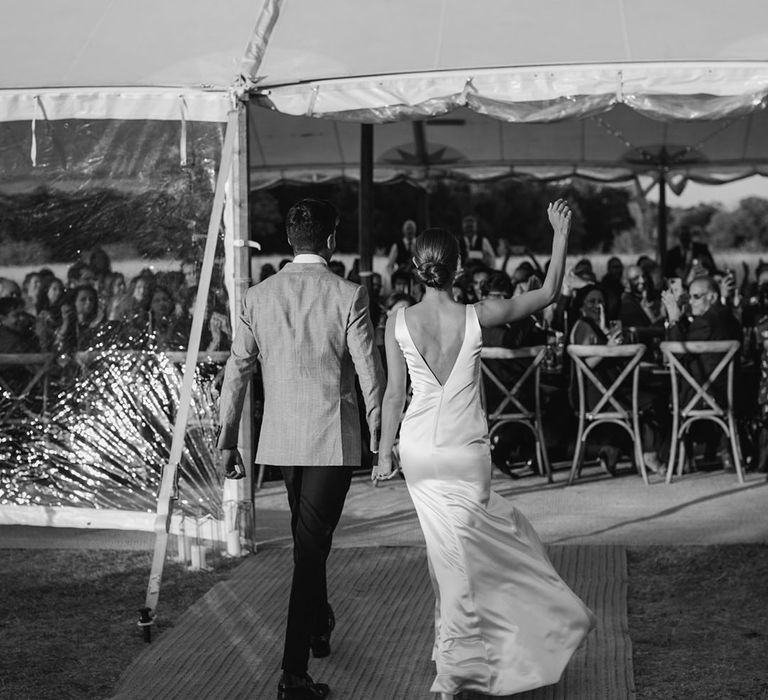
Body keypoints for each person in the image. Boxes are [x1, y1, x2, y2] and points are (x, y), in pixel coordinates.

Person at [374, 201, 594, 699]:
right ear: (458, 267)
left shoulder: (397, 320)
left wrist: (383, 453)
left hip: (418, 452)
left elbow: (393, 395)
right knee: (475, 554)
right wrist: (559, 235)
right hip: (465, 450)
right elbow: (549, 292)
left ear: (417, 267)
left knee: (447, 558)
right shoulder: (479, 314)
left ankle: (459, 660)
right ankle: (460, 669)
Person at [217, 199, 384, 700]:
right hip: (331, 438)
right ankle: (293, 673)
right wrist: (381, 436)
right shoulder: (349, 294)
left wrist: (226, 439)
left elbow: (237, 371)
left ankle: (318, 625)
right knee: (310, 548)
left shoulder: (258, 296)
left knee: (309, 540)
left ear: (291, 240)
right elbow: (368, 371)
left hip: (283, 439)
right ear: (332, 241)